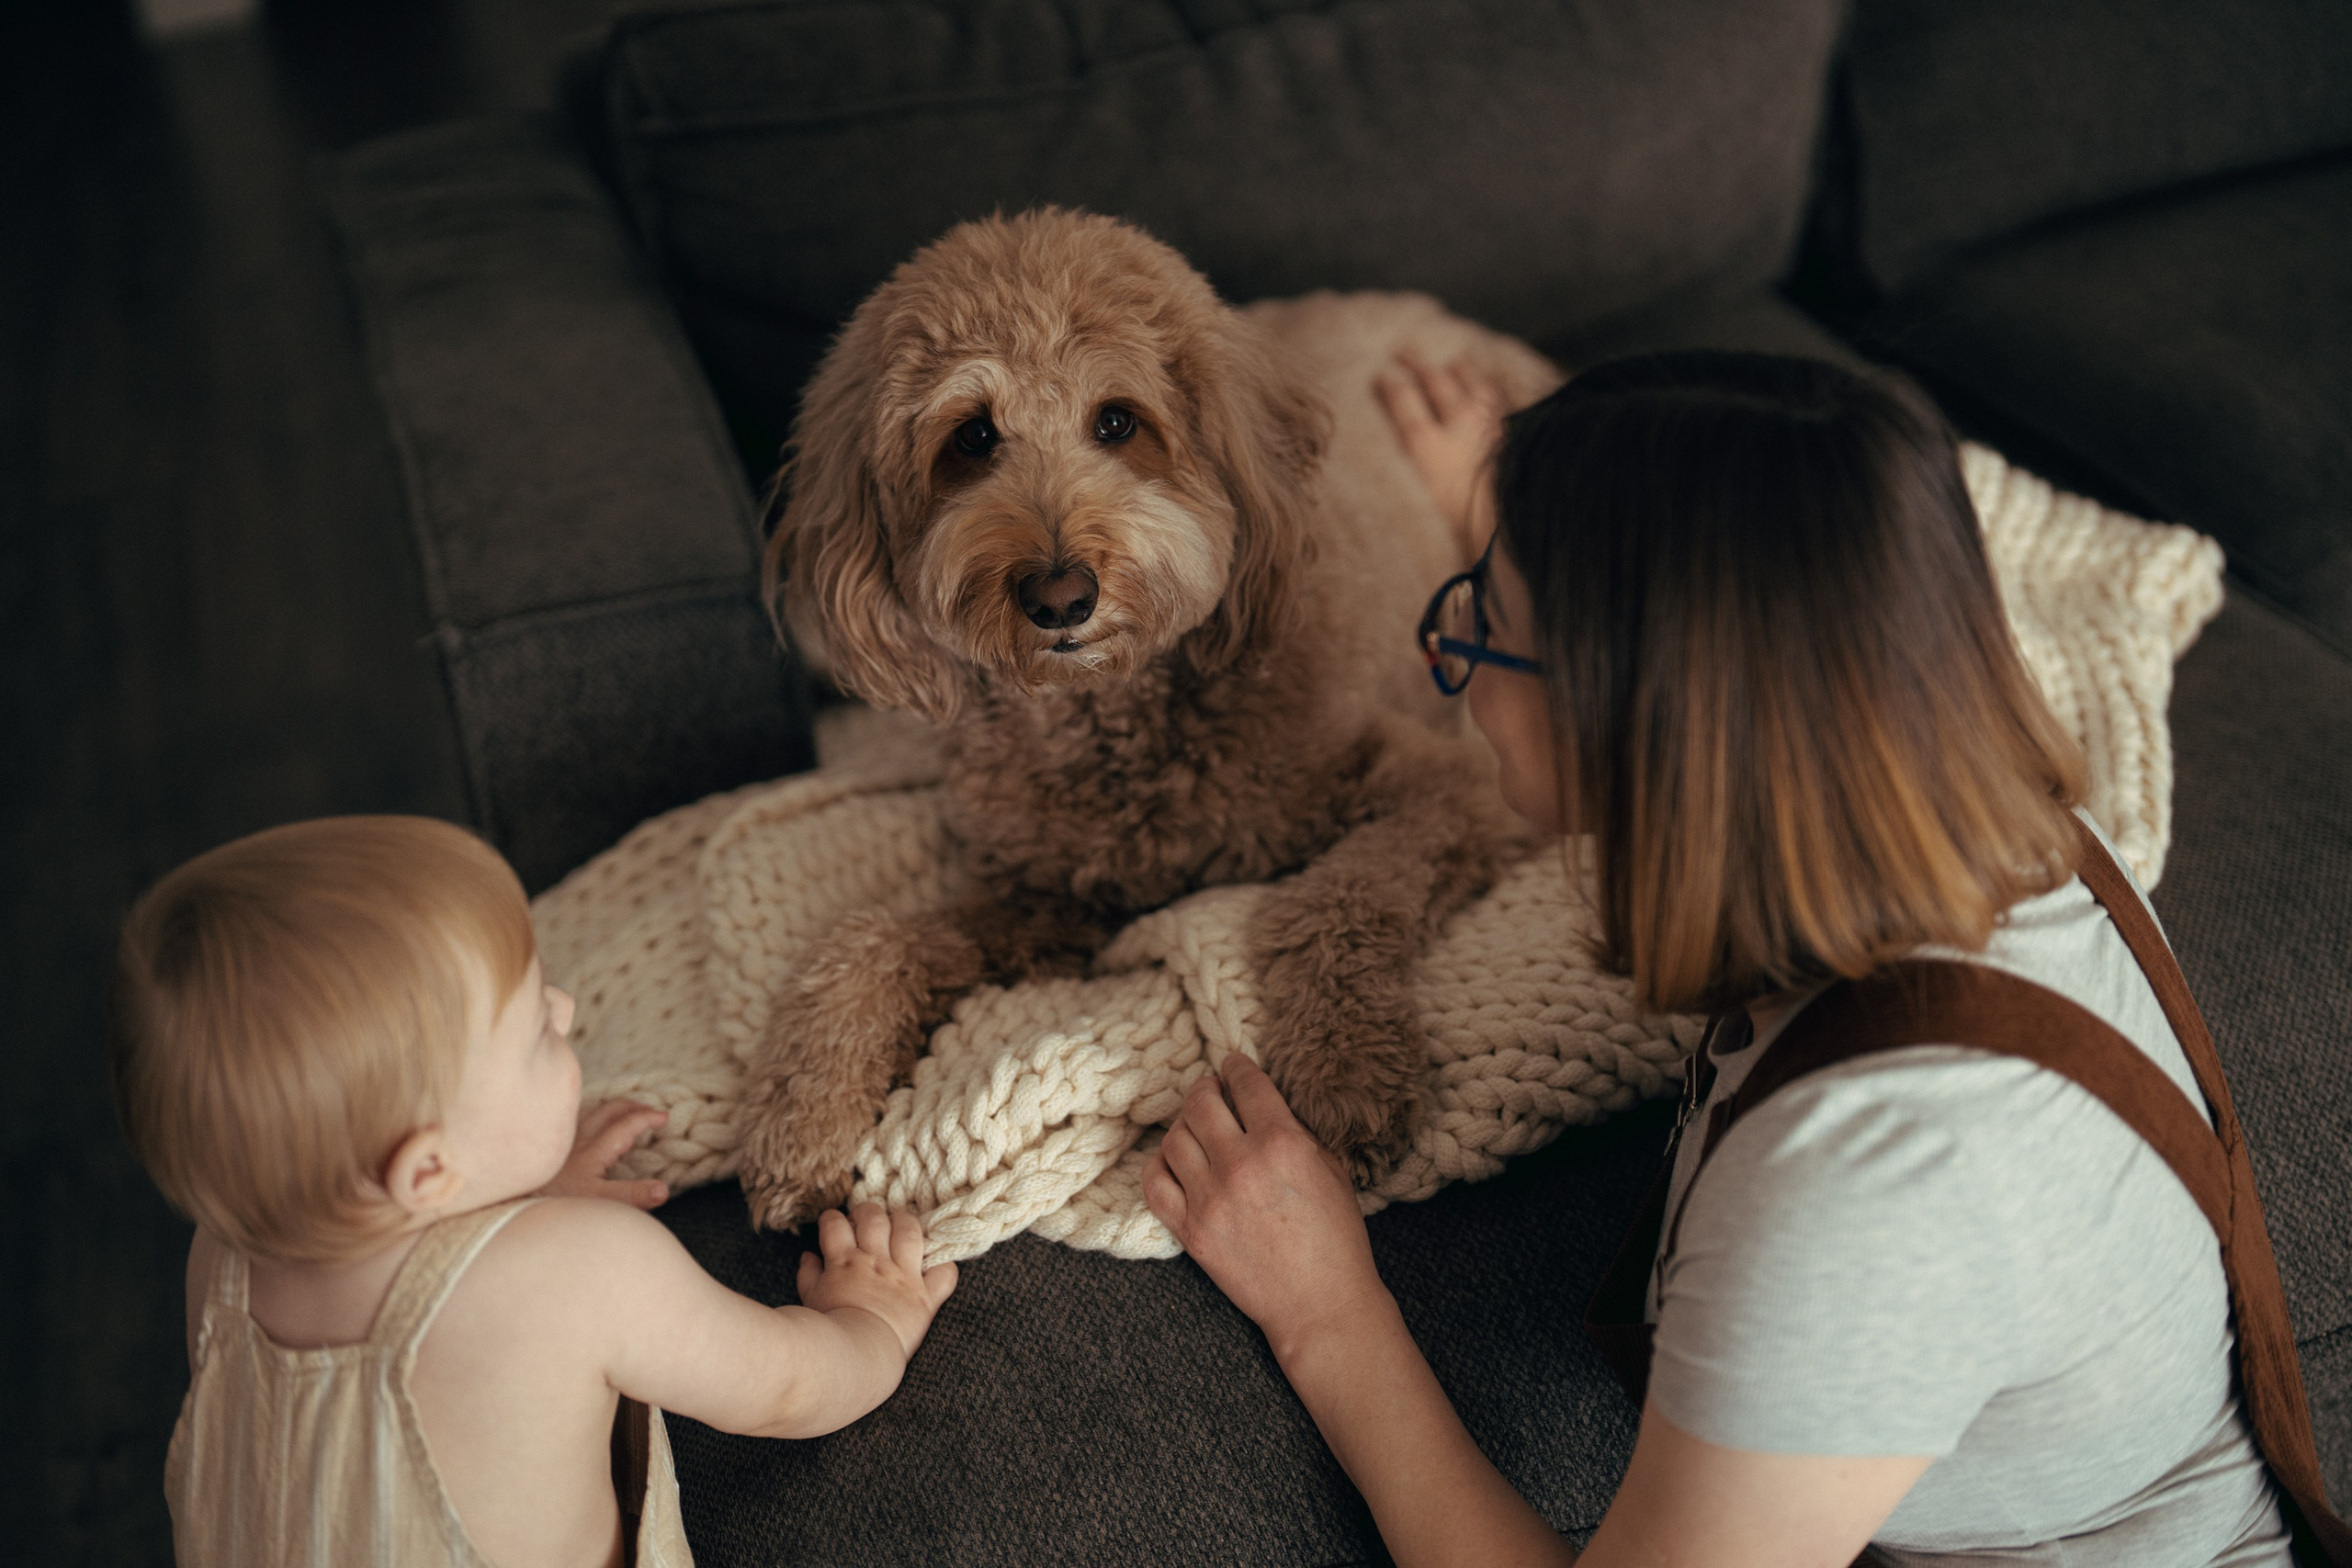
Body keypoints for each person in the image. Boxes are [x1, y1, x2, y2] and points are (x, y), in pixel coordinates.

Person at [1141, 350, 2303, 1566]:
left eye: (1496, 622)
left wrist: (1329, 1313)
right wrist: (1537, 519)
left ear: (1639, 720)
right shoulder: (1978, 808)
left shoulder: (1865, 1185)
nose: (1461, 649)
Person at [111, 814, 957, 1568]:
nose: (565, 1007)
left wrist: (505, 1191)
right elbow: (782, 1390)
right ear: (429, 1173)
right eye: (532, 1035)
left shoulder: (219, 1260)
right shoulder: (583, 1272)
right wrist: (870, 1322)